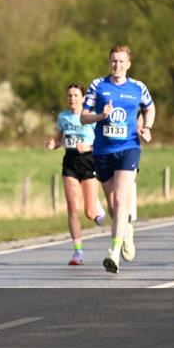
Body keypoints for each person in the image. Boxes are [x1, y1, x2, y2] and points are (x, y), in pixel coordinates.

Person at [81, 45, 155, 274]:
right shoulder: (98, 86)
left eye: (121, 61)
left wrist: (148, 128)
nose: (117, 65)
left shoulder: (138, 87)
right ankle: (127, 229)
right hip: (103, 152)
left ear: (128, 64)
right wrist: (101, 116)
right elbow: (84, 118)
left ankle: (113, 252)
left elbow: (150, 109)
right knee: (113, 205)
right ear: (109, 62)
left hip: (129, 148)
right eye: (114, 61)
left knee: (122, 199)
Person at [45, 83, 107, 265]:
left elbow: (103, 143)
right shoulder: (63, 117)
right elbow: (58, 140)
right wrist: (53, 145)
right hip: (70, 162)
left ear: (82, 98)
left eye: (75, 95)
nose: (72, 98)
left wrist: (88, 146)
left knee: (89, 212)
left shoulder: (91, 116)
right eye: (69, 95)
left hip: (89, 161)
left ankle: (95, 206)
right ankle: (77, 252)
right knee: (72, 207)